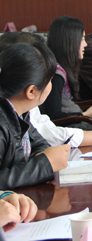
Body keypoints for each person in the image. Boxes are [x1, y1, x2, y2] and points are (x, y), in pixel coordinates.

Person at [0, 32, 92, 149]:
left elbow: (45, 135)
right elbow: (51, 134)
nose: (85, 44)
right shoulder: (7, 119)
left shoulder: (26, 110)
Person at [0, 42, 70, 189]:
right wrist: (45, 165)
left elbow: (40, 143)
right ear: (31, 91)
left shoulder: (19, 113)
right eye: (49, 80)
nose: (51, 85)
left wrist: (43, 158)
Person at [41, 16, 92, 128]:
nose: (85, 44)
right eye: (82, 39)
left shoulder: (61, 68)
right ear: (70, 41)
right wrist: (85, 114)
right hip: (75, 126)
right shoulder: (56, 75)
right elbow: (54, 116)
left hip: (79, 120)